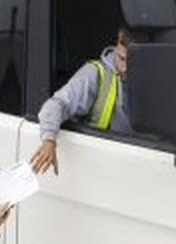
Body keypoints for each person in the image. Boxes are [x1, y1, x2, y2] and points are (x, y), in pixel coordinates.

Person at [31, 26, 135, 175]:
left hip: (132, 162)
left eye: (131, 62)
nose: (124, 68)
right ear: (117, 46)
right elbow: (57, 104)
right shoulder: (95, 74)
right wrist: (49, 140)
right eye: (121, 58)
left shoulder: (151, 79)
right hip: (99, 164)